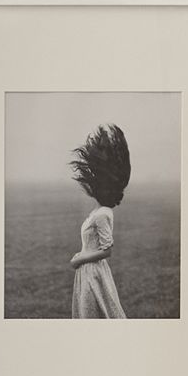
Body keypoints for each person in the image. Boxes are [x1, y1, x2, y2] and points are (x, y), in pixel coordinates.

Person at [67, 121, 130, 319]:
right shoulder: (100, 211)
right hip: (87, 272)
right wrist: (80, 258)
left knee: (97, 316)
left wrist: (79, 259)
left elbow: (107, 250)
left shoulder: (103, 213)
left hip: (94, 274)